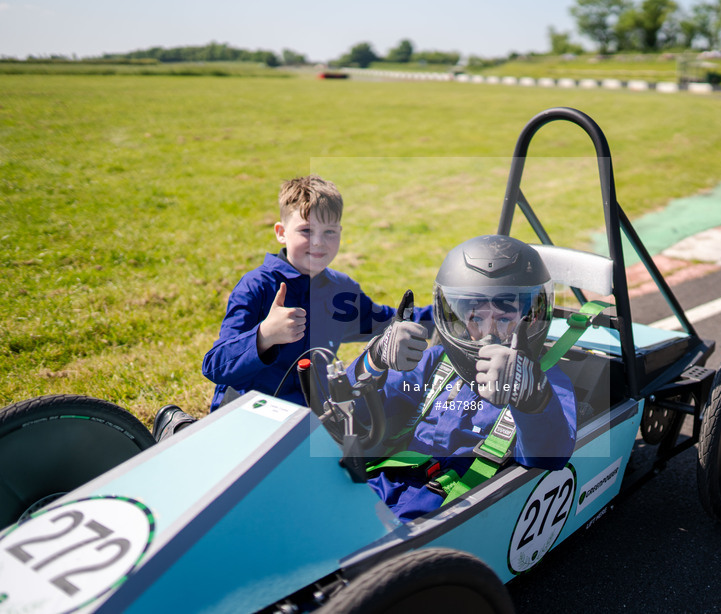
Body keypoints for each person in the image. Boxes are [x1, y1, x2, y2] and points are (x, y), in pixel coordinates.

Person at [153, 175, 432, 440]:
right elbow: (214, 365)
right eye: (306, 231)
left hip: (308, 422)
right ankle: (180, 429)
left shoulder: (340, 290)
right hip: (247, 420)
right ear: (280, 233)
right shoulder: (257, 286)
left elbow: (386, 322)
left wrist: (451, 315)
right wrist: (264, 336)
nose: (319, 242)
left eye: (329, 232)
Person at [347, 235, 577, 523]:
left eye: (505, 319)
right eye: (476, 319)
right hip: (386, 482)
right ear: (457, 318)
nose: (488, 334)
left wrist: (532, 400)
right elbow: (356, 413)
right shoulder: (435, 360)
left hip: (456, 508)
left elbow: (551, 456)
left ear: (529, 321)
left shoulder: (548, 382)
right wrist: (374, 360)